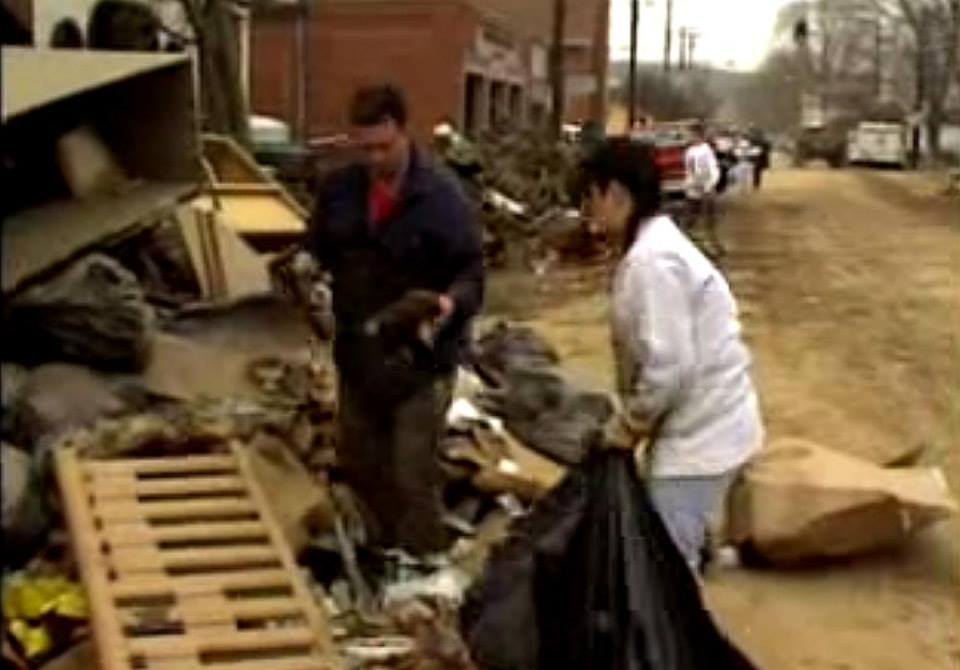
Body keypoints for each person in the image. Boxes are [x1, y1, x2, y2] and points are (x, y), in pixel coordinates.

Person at [308, 85, 484, 556]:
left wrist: (449, 306)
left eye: (383, 147)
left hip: (419, 363)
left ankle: (424, 570)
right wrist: (310, 282)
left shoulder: (441, 197)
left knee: (413, 475)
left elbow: (471, 271)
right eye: (364, 148)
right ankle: (379, 560)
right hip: (358, 358)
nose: (374, 158)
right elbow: (317, 254)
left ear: (404, 133)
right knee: (363, 466)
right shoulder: (339, 192)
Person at [581, 139, 763, 574]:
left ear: (617, 195)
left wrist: (628, 426)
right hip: (710, 423)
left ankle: (678, 634)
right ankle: (704, 551)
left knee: (665, 579)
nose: (587, 210)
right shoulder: (652, 249)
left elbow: (670, 368)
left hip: (701, 436)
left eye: (590, 196)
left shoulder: (654, 263)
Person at [683, 121, 723, 256]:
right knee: (690, 220)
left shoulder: (706, 150)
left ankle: (713, 246)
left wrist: (710, 185)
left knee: (708, 221)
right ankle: (693, 246)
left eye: (691, 134)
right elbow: (688, 171)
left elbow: (714, 169)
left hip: (706, 190)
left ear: (698, 134)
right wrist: (689, 184)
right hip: (693, 191)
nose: (689, 137)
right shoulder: (689, 151)